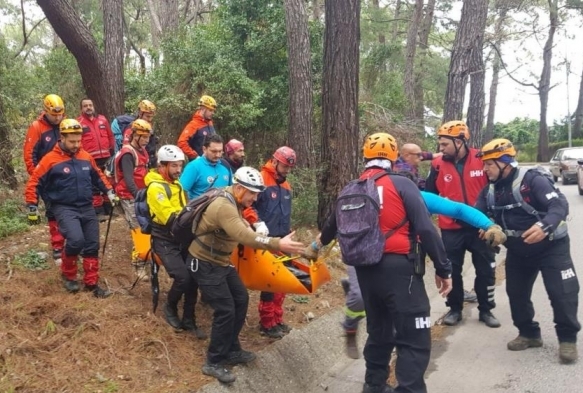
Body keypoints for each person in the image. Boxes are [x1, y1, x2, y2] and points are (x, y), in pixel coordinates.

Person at [308, 133, 452, 393]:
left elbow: (330, 230)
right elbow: (426, 230)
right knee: (414, 337)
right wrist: (444, 269)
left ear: (365, 157)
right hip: (400, 270)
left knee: (380, 332)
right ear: (394, 157)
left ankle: (373, 386)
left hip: (365, 272)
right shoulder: (402, 184)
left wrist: (314, 248)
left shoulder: (352, 188)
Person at [326, 191, 506, 360]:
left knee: (396, 306)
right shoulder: (362, 192)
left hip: (395, 261)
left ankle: (390, 360)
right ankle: (351, 326)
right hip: (363, 258)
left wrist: (488, 225)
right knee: (358, 299)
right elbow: (336, 221)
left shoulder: (413, 194)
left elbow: (457, 209)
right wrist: (315, 245)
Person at [187, 166, 305, 384]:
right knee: (225, 309)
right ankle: (213, 361)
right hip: (204, 262)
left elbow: (243, 228)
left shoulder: (235, 200)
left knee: (241, 299)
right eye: (252, 193)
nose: (255, 197)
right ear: (239, 188)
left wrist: (259, 231)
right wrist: (276, 243)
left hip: (221, 261)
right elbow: (242, 235)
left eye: (257, 193)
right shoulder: (224, 205)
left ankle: (232, 348)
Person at [475, 138, 580, 363]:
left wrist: (544, 226)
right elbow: (479, 216)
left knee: (563, 293)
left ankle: (568, 339)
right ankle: (529, 334)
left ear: (505, 162)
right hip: (519, 251)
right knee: (517, 294)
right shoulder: (489, 191)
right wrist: (487, 229)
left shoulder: (532, 180)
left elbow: (559, 205)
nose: (485, 169)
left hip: (552, 246)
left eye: (489, 164)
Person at [24, 119, 117, 298]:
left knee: (92, 244)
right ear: (62, 138)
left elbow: (98, 175)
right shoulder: (50, 160)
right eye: (72, 141)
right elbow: (34, 182)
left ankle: (91, 282)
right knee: (75, 241)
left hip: (86, 206)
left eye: (78, 141)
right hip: (63, 207)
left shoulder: (85, 157)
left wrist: (109, 191)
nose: (76, 145)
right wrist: (32, 206)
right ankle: (69, 274)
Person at [425, 120, 500, 328]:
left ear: (460, 141)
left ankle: (486, 310)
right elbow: (428, 197)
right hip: (451, 229)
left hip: (480, 228)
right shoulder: (437, 165)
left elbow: (495, 191)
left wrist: (491, 223)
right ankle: (455, 308)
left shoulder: (481, 159)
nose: (440, 149)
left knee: (485, 270)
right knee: (452, 270)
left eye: (444, 144)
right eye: (440, 144)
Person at [395, 143, 477, 303]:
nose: (421, 157)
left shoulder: (410, 159)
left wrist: (438, 155)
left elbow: (427, 155)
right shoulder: (399, 170)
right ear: (406, 155)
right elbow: (412, 195)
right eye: (417, 155)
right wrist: (436, 199)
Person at [145, 145, 206, 339]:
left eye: (180, 166)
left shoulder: (177, 184)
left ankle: (189, 318)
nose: (178, 170)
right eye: (174, 166)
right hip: (164, 239)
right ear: (162, 166)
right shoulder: (156, 188)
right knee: (183, 277)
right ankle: (170, 307)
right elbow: (169, 217)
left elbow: (182, 209)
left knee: (194, 276)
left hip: (181, 235)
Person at [243, 146, 296, 339]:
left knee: (283, 281)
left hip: (284, 239)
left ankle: (277, 318)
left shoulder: (286, 186)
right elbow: (247, 206)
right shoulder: (261, 180)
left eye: (290, 167)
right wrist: (257, 223)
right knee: (269, 283)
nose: (287, 170)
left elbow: (285, 212)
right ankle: (266, 322)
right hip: (268, 240)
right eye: (284, 166)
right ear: (275, 162)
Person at [23, 94, 65, 266]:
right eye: (54, 114)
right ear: (46, 111)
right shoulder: (37, 127)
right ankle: (57, 246)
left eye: (59, 114)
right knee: (53, 212)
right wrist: (37, 176)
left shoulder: (65, 125)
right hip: (46, 178)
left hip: (67, 175)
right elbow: (29, 155)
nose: (57, 117)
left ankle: (73, 243)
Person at [114, 119, 152, 280]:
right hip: (130, 196)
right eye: (143, 137)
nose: (146, 140)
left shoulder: (142, 150)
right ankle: (139, 265)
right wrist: (138, 196)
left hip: (142, 193)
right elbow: (129, 180)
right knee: (138, 229)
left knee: (147, 226)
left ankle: (147, 256)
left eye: (147, 137)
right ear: (135, 135)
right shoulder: (128, 154)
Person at [77, 98, 116, 220]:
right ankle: (98, 211)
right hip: (89, 159)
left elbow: (110, 136)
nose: (88, 107)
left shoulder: (102, 119)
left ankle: (109, 209)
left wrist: (111, 150)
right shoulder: (79, 123)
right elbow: (78, 141)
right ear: (81, 108)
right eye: (85, 106)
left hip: (106, 157)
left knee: (107, 182)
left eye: (90, 105)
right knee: (93, 185)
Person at [180, 134, 232, 200]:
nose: (218, 155)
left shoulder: (225, 165)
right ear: (204, 149)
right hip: (200, 208)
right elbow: (181, 192)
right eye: (214, 151)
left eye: (220, 151)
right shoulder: (194, 167)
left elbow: (231, 190)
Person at [111, 99, 158, 167]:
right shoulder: (132, 128)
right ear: (140, 114)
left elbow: (152, 145)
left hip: (151, 162)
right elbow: (127, 148)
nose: (149, 119)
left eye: (151, 117)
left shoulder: (149, 127)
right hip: (139, 164)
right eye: (147, 116)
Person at [177, 95, 217, 160]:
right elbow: (181, 143)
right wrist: (195, 156)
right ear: (203, 109)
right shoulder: (193, 125)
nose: (213, 113)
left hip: (212, 160)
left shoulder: (210, 122)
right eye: (210, 110)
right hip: (200, 163)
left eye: (213, 111)